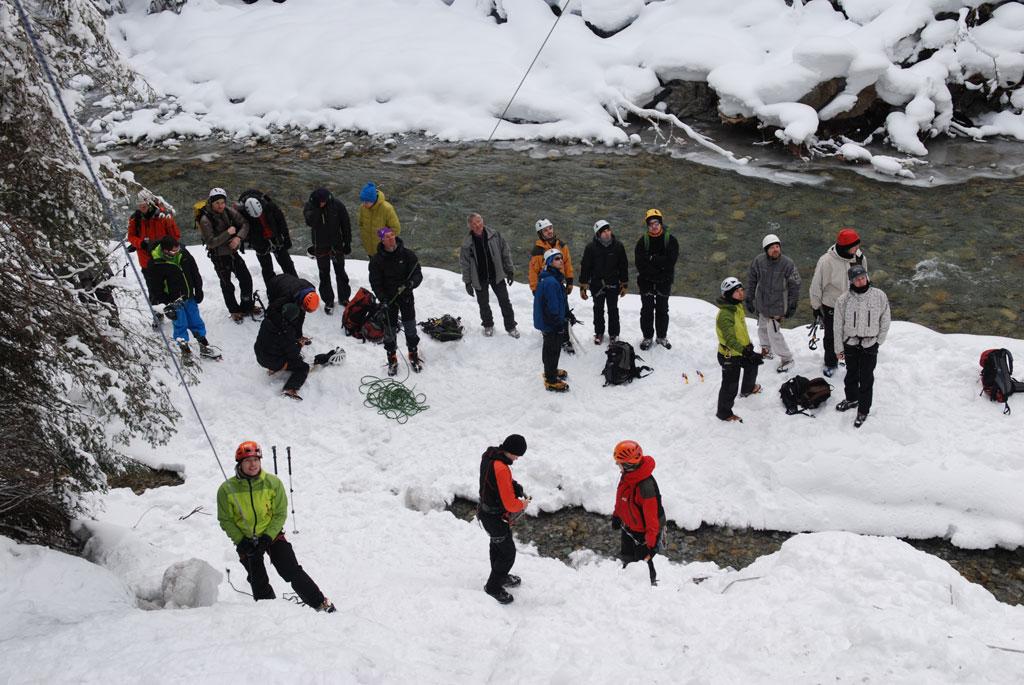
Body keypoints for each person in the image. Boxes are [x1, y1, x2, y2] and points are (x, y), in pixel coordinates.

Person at [217, 441, 335, 612]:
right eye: (248, 460)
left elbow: (280, 514)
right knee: (257, 579)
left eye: (256, 460)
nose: (253, 464)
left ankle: (321, 604)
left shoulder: (273, 483)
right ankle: (270, 612)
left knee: (291, 570)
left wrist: (267, 537)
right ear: (240, 464)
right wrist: (241, 541)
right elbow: (225, 519)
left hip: (271, 536)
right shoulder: (226, 489)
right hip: (246, 540)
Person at [833, 264, 890, 428]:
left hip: (870, 343)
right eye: (857, 279)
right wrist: (838, 349)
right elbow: (837, 326)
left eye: (863, 277)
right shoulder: (843, 300)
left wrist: (879, 341)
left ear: (867, 277)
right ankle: (851, 399)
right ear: (851, 281)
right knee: (851, 374)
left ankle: (863, 409)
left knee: (866, 377)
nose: (860, 281)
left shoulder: (879, 296)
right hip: (850, 343)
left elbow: (885, 319)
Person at [477, 434, 529, 605]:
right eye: (517, 455)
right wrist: (523, 504)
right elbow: (510, 505)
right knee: (507, 553)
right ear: (511, 451)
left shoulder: (490, 456)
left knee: (497, 545)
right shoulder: (501, 468)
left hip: (486, 512)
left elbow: (492, 481)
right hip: (494, 517)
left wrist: (513, 485)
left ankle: (500, 576)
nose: (517, 458)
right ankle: (493, 586)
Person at [147, 236, 217, 361]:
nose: (177, 252)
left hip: (189, 296)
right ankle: (185, 352)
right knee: (181, 325)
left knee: (196, 321)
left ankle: (204, 347)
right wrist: (166, 306)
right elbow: (155, 289)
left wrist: (199, 289)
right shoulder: (155, 263)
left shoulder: (183, 254)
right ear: (165, 251)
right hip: (174, 302)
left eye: (178, 248)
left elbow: (194, 272)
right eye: (174, 251)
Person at [254, 300, 340, 401]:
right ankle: (290, 389)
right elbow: (293, 354)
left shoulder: (268, 321)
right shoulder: (285, 331)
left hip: (259, 354)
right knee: (303, 367)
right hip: (272, 361)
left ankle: (273, 368)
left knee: (275, 347)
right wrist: (299, 344)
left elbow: (277, 341)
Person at [810, 228, 867, 377]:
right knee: (831, 336)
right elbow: (816, 285)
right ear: (845, 247)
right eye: (854, 246)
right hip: (832, 305)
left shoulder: (859, 257)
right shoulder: (826, 261)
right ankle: (830, 363)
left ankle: (851, 359)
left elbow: (865, 278)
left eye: (858, 245)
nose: (857, 249)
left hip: (854, 303)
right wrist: (816, 307)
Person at [197, 187, 257, 322]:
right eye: (217, 203)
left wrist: (238, 238)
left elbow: (244, 224)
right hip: (219, 257)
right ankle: (234, 310)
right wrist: (228, 233)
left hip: (233, 253)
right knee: (227, 284)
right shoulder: (205, 220)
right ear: (211, 203)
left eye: (222, 202)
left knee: (246, 279)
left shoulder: (229, 211)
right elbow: (211, 242)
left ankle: (247, 305)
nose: (221, 206)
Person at [368, 227, 423, 376]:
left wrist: (411, 284)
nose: (391, 238)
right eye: (387, 237)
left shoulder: (408, 255)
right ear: (382, 240)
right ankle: (392, 359)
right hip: (388, 300)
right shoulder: (376, 261)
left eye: (392, 235)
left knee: (410, 327)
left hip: (406, 297)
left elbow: (417, 274)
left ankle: (413, 354)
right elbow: (375, 282)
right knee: (389, 331)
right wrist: (383, 299)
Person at [746, 233, 801, 373]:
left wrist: (792, 304)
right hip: (762, 302)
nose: (775, 250)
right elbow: (752, 280)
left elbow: (795, 284)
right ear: (766, 250)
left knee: (774, 333)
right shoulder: (759, 261)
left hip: (778, 306)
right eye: (772, 248)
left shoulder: (788, 263)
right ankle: (766, 349)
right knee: (762, 328)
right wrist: (749, 298)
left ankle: (787, 358)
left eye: (777, 247)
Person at [459, 212, 519, 338]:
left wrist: (510, 270)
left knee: (505, 301)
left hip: (496, 275)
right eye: (473, 223)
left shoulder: (495, 235)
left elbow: (505, 253)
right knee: (483, 304)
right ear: (469, 226)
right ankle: (488, 325)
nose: (477, 225)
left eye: (478, 222)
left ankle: (511, 326)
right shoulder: (467, 244)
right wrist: (468, 282)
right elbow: (465, 264)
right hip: (479, 278)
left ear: (483, 221)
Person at [127, 189, 180, 328]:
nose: (141, 209)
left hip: (164, 259)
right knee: (153, 289)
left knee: (170, 286)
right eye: (139, 206)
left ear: (150, 204)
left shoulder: (163, 217)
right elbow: (131, 237)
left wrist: (167, 246)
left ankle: (173, 310)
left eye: (143, 206)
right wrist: (140, 243)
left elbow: (175, 236)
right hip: (146, 261)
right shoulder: (135, 219)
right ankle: (157, 313)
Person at [610, 440, 665, 571]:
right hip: (628, 526)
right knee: (627, 558)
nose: (618, 465)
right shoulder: (627, 476)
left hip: (644, 534)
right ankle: (627, 578)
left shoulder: (645, 487)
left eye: (619, 463)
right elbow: (621, 498)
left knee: (643, 566)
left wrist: (651, 543)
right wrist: (617, 515)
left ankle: (649, 586)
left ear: (628, 465)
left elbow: (652, 517)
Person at [715, 277, 762, 422]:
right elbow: (730, 339)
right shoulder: (725, 315)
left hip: (742, 349)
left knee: (752, 366)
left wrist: (748, 346)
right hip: (730, 355)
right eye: (737, 292)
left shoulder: (736, 306)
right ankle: (724, 413)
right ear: (728, 295)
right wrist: (746, 352)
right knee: (730, 386)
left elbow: (740, 329)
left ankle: (747, 389)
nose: (741, 294)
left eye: (741, 290)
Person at [634, 208, 679, 351]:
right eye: (651, 223)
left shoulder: (670, 240)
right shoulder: (642, 242)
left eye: (656, 223)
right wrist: (658, 265)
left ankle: (661, 336)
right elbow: (640, 264)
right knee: (646, 310)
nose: (654, 226)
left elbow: (671, 261)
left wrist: (652, 259)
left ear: (661, 223)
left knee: (662, 310)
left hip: (664, 280)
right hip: (646, 281)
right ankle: (647, 337)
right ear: (647, 226)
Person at [528, 219, 575, 354]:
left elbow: (567, 263)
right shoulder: (537, 250)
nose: (549, 231)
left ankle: (565, 339)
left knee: (563, 310)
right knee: (547, 312)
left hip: (559, 285)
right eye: (545, 230)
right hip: (546, 287)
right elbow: (533, 271)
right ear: (540, 234)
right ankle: (548, 335)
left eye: (550, 228)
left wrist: (570, 280)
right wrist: (534, 288)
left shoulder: (562, 245)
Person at [302, 188, 352, 314]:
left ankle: (344, 297)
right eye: (321, 202)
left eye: (325, 201)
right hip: (320, 246)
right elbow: (310, 222)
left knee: (340, 272)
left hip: (336, 244)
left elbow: (346, 224)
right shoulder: (310, 206)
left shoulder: (337, 205)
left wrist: (347, 242)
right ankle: (328, 300)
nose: (323, 203)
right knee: (324, 274)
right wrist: (318, 209)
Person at [579, 219, 628, 345]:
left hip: (613, 283)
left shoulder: (618, 246)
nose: (607, 234)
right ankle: (599, 332)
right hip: (597, 284)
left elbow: (623, 266)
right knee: (598, 309)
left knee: (613, 309)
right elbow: (585, 267)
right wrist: (583, 285)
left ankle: (614, 334)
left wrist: (624, 283)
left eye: (608, 230)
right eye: (603, 232)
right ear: (598, 234)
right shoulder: (590, 248)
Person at [237, 189, 296, 287]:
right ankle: (272, 291)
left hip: (274, 236)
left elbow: (280, 221)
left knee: (287, 264)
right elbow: (242, 228)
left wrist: (286, 237)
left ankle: (296, 286)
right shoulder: (242, 214)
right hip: (259, 241)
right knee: (267, 268)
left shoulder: (269, 206)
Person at [533, 248, 571, 392]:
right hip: (551, 322)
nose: (561, 260)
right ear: (549, 262)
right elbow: (553, 306)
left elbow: (559, 301)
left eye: (561, 258)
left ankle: (551, 370)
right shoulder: (551, 282)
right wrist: (558, 323)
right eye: (556, 259)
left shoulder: (552, 277)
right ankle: (550, 379)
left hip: (548, 321)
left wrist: (567, 313)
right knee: (552, 349)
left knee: (550, 347)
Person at [266, 272, 320, 341]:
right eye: (304, 308)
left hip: (288, 280)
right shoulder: (287, 297)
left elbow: (301, 316)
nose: (304, 310)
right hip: (274, 286)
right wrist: (282, 323)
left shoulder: (310, 290)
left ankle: (296, 335)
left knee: (297, 313)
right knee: (277, 313)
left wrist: (298, 336)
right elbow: (271, 309)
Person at [357, 182, 401, 256]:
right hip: (369, 247)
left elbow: (396, 229)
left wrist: (384, 236)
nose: (364, 204)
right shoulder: (363, 208)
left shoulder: (387, 208)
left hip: (384, 249)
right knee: (373, 266)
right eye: (363, 201)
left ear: (373, 200)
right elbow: (361, 223)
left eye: (366, 202)